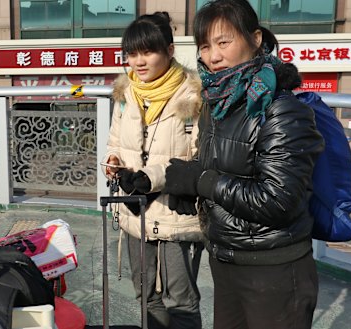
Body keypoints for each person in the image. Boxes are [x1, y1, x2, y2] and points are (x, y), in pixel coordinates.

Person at [163, 0, 324, 328]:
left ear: (256, 39)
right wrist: (192, 187)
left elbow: (278, 200)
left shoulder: (281, 109)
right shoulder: (218, 103)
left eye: (224, 42)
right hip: (227, 263)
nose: (213, 56)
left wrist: (202, 182)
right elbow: (221, 167)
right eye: (205, 46)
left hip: (274, 272)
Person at [103, 12, 204, 329]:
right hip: (136, 213)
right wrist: (113, 162)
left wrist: (151, 178)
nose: (138, 62)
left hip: (176, 213)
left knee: (181, 301)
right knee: (145, 294)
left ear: (170, 51)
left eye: (148, 52)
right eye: (132, 54)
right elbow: (115, 142)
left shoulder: (194, 95)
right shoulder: (125, 94)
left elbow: (202, 157)